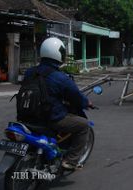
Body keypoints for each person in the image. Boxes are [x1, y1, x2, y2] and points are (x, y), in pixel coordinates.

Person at [24, 37, 91, 169]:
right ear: (59, 54)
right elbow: (75, 96)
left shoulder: (30, 72)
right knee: (84, 126)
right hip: (50, 118)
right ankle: (71, 161)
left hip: (27, 115)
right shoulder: (60, 77)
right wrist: (86, 102)